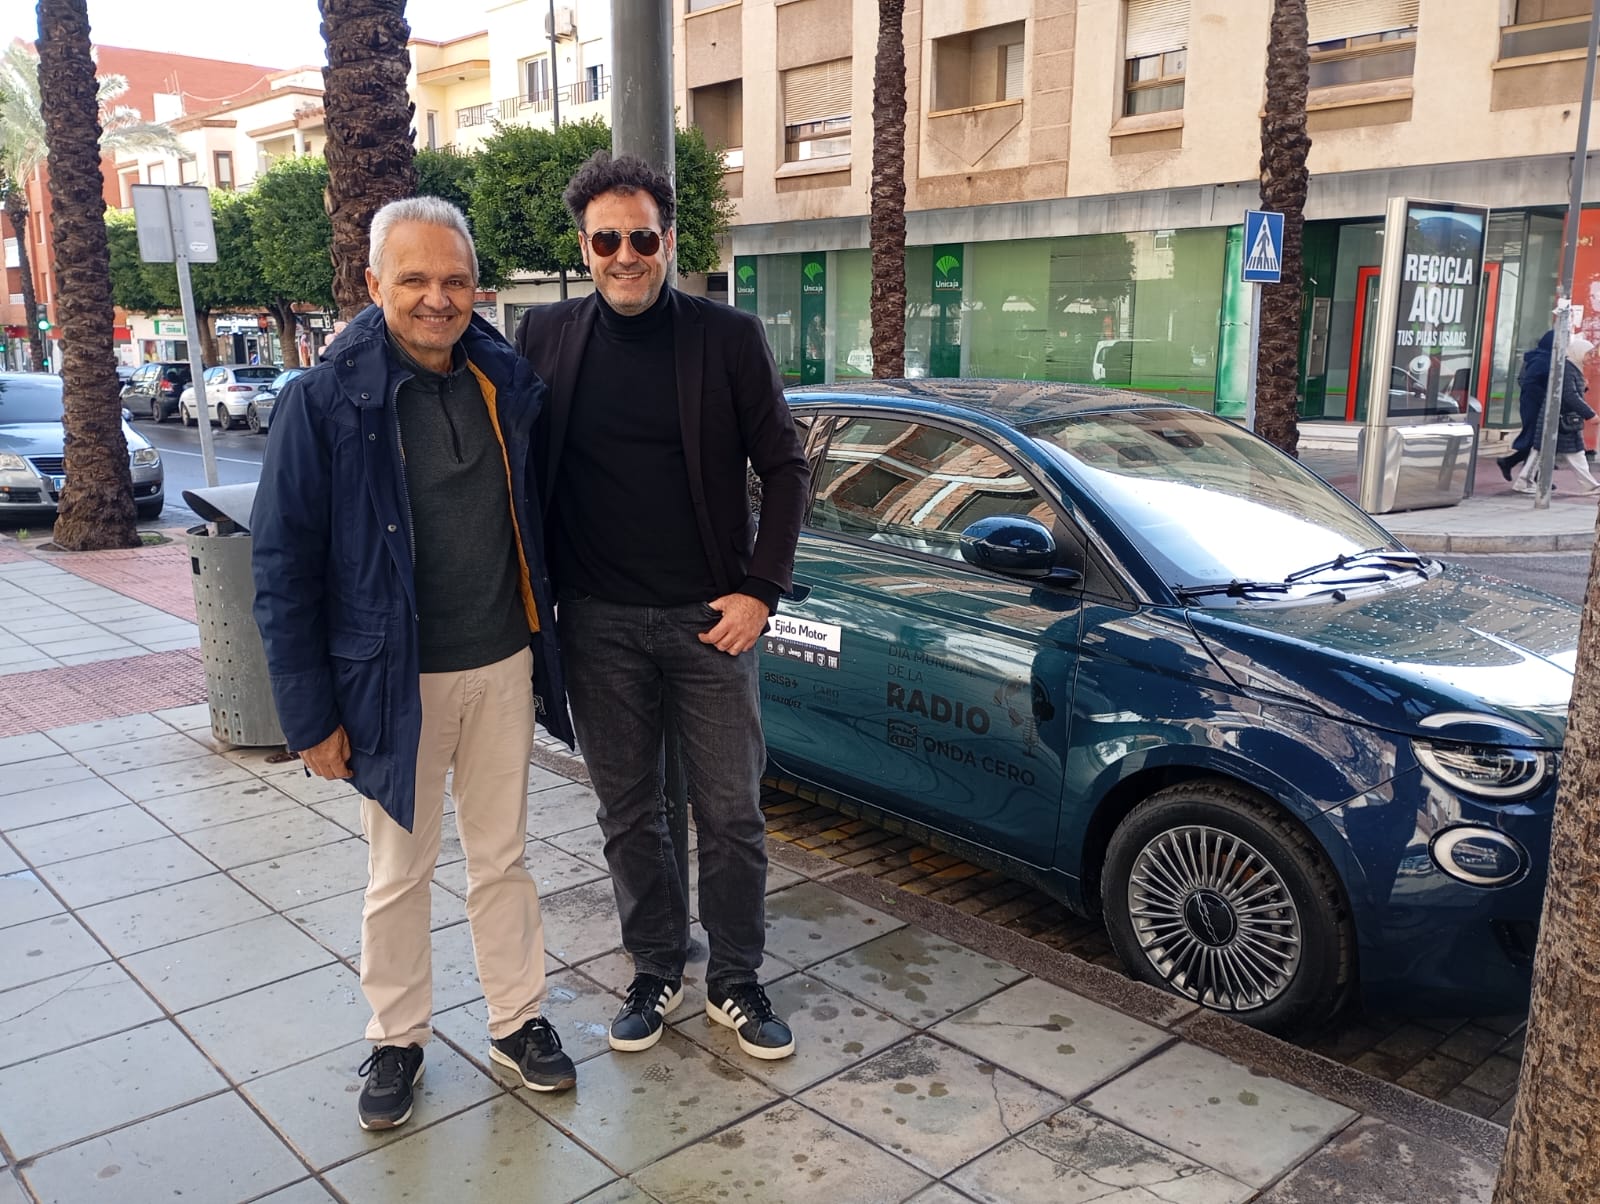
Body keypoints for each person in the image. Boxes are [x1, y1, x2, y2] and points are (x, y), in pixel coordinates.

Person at [251, 196, 578, 1132]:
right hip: (394, 679)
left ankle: (517, 1021)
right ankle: (397, 1037)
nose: (438, 299)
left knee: (504, 859)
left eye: (455, 280)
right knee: (399, 870)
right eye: (415, 280)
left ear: (476, 287)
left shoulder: (504, 381)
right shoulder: (324, 402)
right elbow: (282, 565)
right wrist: (310, 716)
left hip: (503, 662)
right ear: (372, 284)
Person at [515, 152, 810, 1061]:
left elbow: (787, 468)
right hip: (598, 622)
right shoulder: (544, 336)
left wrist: (760, 590)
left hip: (709, 623)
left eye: (643, 238)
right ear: (585, 246)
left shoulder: (726, 338)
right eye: (607, 240)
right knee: (628, 811)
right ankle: (654, 965)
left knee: (730, 813)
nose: (625, 254)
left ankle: (736, 980)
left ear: (668, 241)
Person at [1511, 335, 1600, 494]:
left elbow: (1569, 393)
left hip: (1564, 419)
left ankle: (1589, 485)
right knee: (1545, 451)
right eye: (1588, 354)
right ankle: (1524, 482)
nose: (1590, 357)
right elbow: (1568, 395)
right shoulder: (1567, 368)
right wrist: (1590, 414)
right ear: (1578, 353)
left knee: (1558, 451)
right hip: (1559, 419)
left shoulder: (1573, 368)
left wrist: (1582, 387)